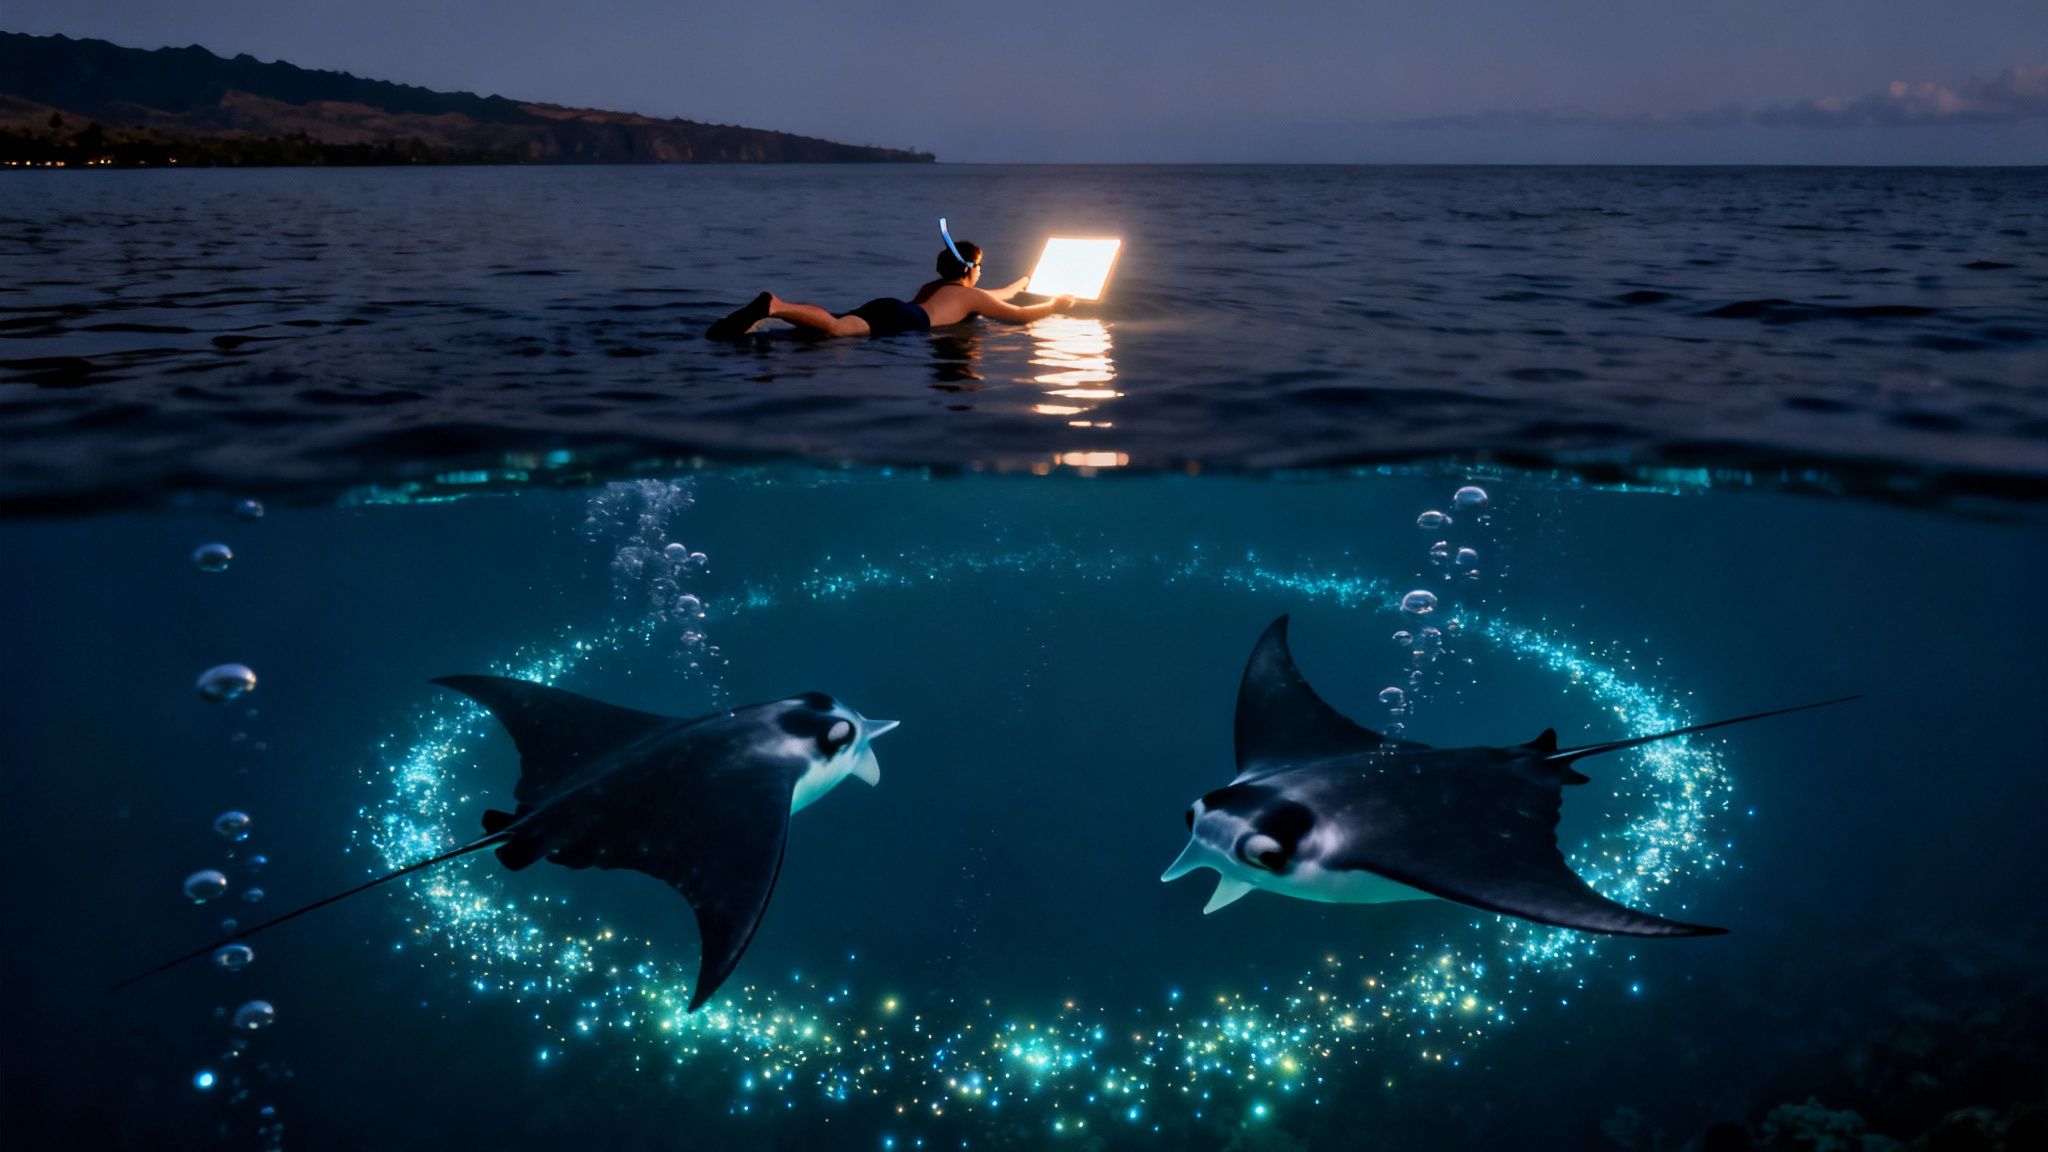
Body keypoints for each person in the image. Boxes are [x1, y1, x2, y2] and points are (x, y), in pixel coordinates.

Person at [705, 238, 1077, 340]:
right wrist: (1056, 305)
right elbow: (1018, 316)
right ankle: (775, 305)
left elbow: (1003, 294)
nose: (983, 274)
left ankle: (777, 312)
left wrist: (1026, 282)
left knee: (836, 321)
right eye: (980, 267)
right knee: (837, 331)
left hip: (895, 307)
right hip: (908, 322)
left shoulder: (938, 286)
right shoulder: (970, 296)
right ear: (970, 269)